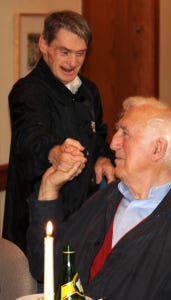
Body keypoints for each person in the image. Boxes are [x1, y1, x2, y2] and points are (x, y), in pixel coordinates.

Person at [27, 96, 171, 300]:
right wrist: (48, 189)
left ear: (158, 149)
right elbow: (47, 267)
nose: (113, 143)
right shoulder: (109, 196)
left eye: (125, 133)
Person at [3, 10, 115, 254]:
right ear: (44, 44)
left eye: (80, 54)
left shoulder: (89, 91)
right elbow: (30, 139)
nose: (72, 62)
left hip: (84, 222)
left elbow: (100, 137)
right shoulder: (27, 92)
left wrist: (104, 157)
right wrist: (55, 153)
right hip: (38, 223)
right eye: (64, 52)